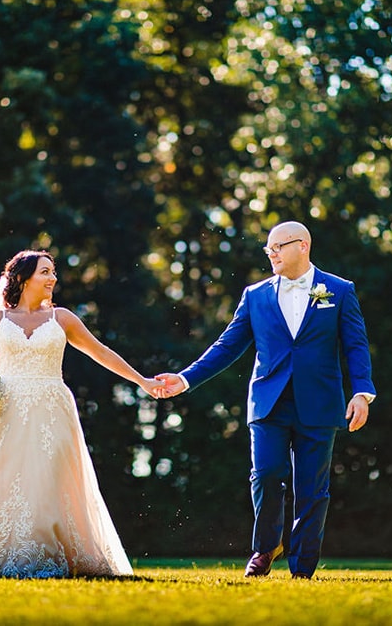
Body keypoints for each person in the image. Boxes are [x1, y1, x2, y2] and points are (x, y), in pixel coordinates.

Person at [0, 249, 163, 578]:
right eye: (45, 272)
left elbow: (100, 352)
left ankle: (51, 551)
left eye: (53, 271)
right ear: (23, 277)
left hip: (52, 408)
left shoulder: (62, 319)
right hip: (6, 410)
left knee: (48, 481)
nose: (53, 278)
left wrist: (141, 381)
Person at [155, 221, 376, 579]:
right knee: (268, 474)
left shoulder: (339, 290)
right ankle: (266, 547)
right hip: (268, 403)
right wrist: (184, 379)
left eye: (278, 246)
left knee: (312, 487)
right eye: (268, 248)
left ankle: (303, 566)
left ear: (302, 246)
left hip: (319, 403)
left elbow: (355, 345)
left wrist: (362, 393)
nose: (270, 253)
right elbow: (227, 346)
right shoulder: (254, 296)